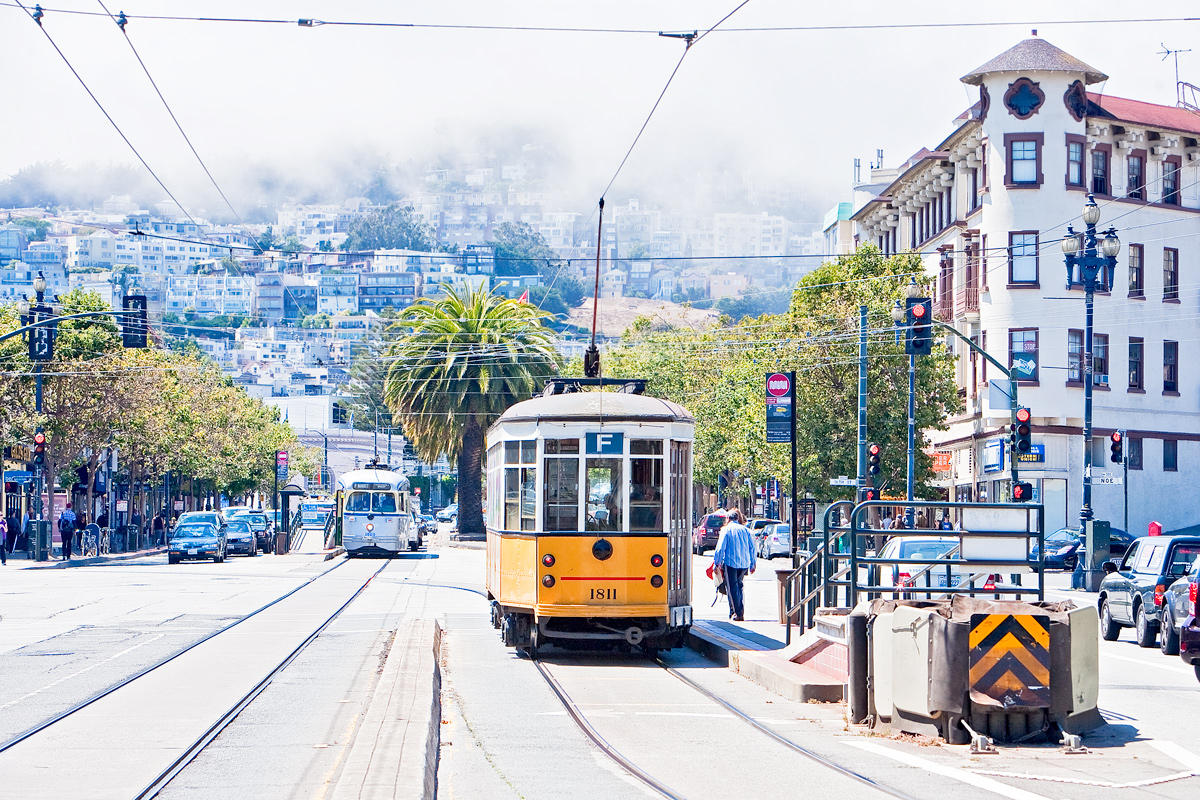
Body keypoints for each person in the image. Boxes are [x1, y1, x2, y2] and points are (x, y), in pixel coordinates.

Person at [712, 508, 756, 622]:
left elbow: (720, 548)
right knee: (739, 586)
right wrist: (753, 563)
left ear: (728, 518)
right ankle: (736, 610)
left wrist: (716, 563)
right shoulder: (745, 530)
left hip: (731, 563)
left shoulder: (726, 530)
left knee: (732, 587)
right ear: (737, 518)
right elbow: (752, 547)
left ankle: (738, 612)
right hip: (744, 563)